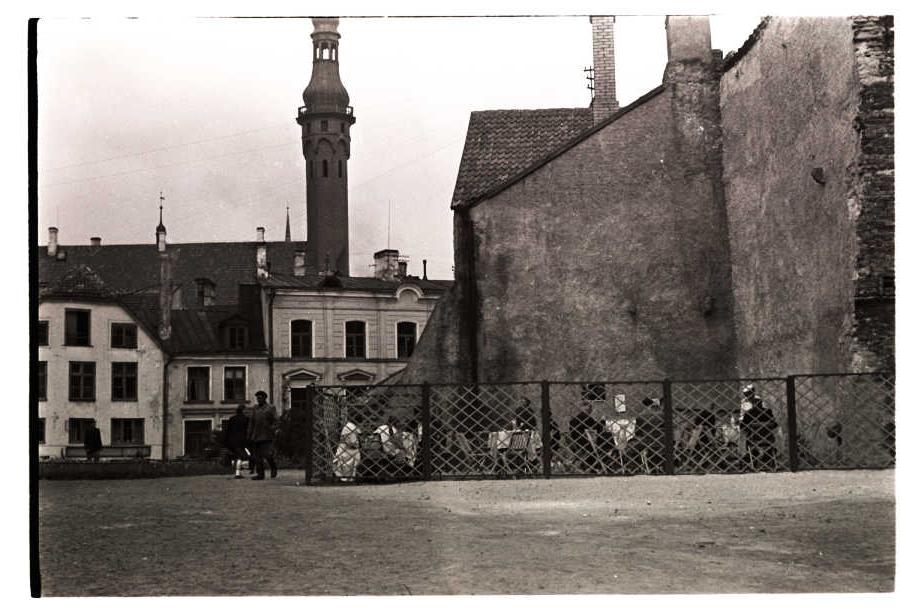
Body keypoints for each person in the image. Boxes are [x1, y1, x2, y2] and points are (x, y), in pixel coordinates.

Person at [739, 384, 779, 471]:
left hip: (753, 439)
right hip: (768, 438)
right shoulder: (768, 412)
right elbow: (774, 424)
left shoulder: (748, 413)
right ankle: (768, 458)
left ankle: (748, 459)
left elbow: (742, 426)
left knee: (745, 437)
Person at [247, 390, 278, 480]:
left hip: (267, 435)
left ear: (264, 398)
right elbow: (251, 423)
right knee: (257, 457)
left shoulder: (270, 408)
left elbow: (276, 420)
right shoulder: (254, 408)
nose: (258, 399)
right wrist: (249, 434)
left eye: (260, 398)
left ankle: (273, 468)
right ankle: (260, 474)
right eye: (257, 398)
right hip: (256, 435)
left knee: (268, 455)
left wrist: (272, 428)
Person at [569, 400, 600, 472]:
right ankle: (595, 467)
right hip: (584, 444)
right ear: (586, 408)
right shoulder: (584, 417)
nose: (591, 411)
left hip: (576, 444)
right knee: (599, 445)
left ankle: (586, 466)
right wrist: (602, 421)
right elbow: (597, 426)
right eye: (590, 408)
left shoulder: (575, 418)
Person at [225, 405, 250, 479]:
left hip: (232, 441)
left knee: (237, 456)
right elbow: (247, 430)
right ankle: (237, 473)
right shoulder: (246, 419)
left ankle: (236, 470)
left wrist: (227, 441)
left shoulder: (232, 419)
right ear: (243, 411)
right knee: (241, 456)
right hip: (241, 440)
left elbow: (228, 431)